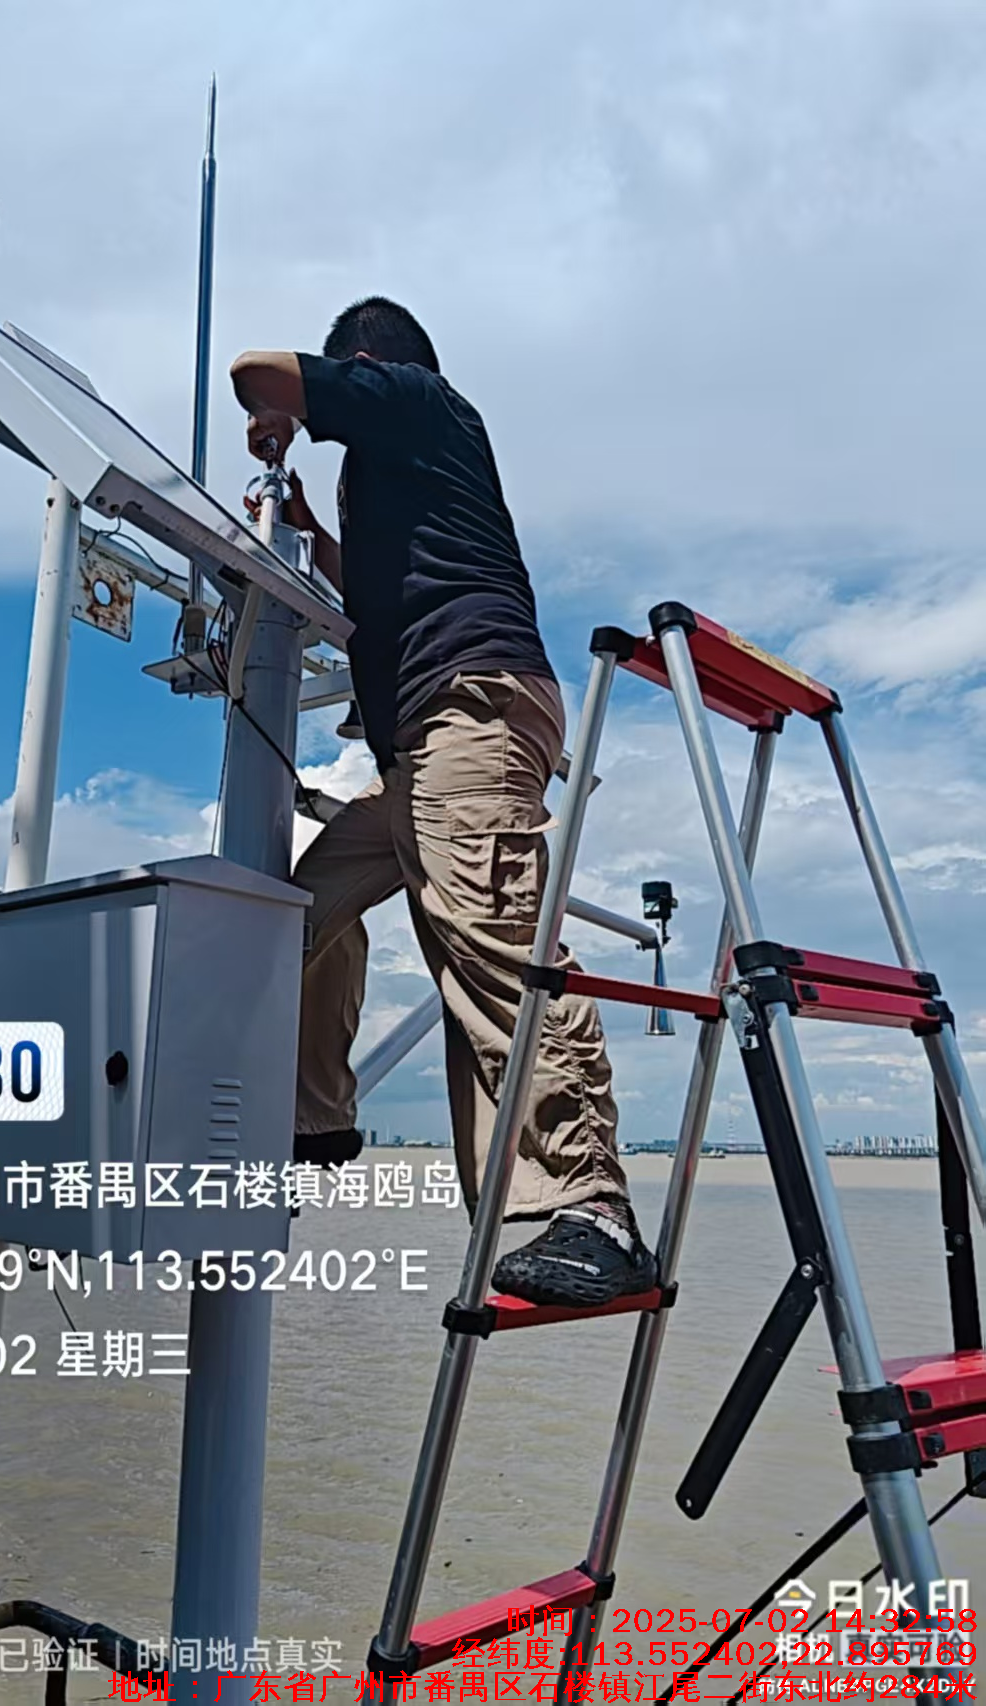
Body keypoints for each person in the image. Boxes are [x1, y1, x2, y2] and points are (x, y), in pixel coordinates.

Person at [229, 298, 655, 1308]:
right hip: (419, 746)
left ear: (366, 363)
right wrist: (311, 531)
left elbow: (254, 371)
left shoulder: (419, 402)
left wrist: (278, 413)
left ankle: (593, 1207)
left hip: (469, 709)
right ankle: (314, 1116)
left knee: (493, 942)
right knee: (298, 915)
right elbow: (373, 596)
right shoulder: (404, 475)